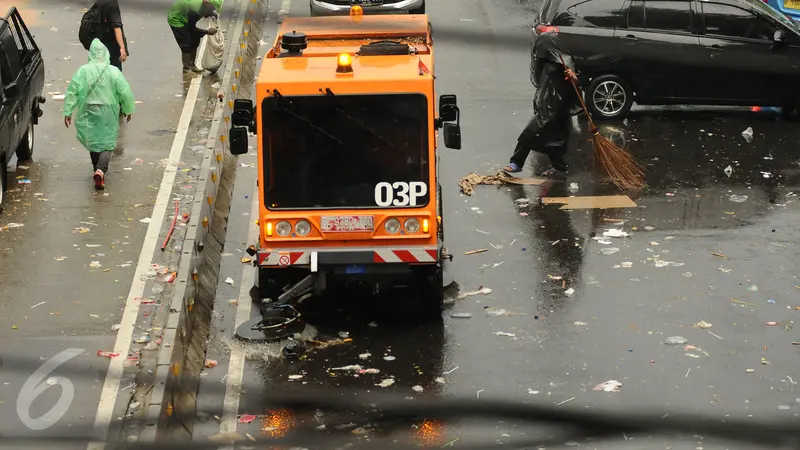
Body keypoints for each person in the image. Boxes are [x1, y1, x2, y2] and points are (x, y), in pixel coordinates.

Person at [64, 39, 136, 191]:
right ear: (106, 54)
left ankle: (96, 169)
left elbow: (73, 91)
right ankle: (101, 170)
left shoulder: (83, 70)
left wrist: (68, 111)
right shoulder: (113, 71)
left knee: (93, 138)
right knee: (108, 141)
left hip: (88, 108)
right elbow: (125, 91)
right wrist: (128, 109)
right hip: (108, 109)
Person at [503, 54, 582, 179]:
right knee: (529, 133)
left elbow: (578, 87)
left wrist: (573, 78)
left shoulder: (568, 60)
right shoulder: (546, 60)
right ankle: (516, 162)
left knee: (554, 141)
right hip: (546, 108)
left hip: (560, 109)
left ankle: (559, 168)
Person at [167, 0, 219, 74]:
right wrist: (207, 32)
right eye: (210, 9)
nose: (211, 10)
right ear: (206, 3)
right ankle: (186, 69)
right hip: (177, 19)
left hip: (186, 17)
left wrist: (211, 13)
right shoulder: (194, 9)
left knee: (195, 39)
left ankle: (191, 64)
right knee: (186, 43)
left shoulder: (203, 6)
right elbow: (192, 29)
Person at [95, 0, 128, 71]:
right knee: (115, 71)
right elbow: (116, 27)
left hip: (99, 41)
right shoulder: (112, 3)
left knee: (101, 70)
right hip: (112, 45)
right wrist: (122, 47)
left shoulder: (99, 2)